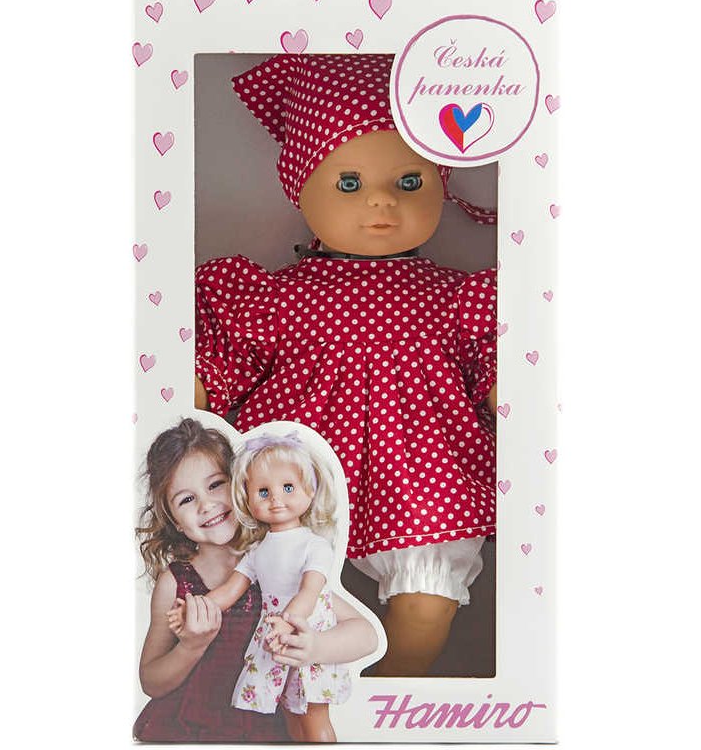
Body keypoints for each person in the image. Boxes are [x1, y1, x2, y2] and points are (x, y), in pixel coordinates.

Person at [194, 53, 497, 676]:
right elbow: (222, 364)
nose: (382, 202)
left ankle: (382, 701)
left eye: (409, 182)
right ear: (300, 187)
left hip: (421, 473)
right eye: (350, 184)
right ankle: (289, 690)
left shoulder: (458, 297)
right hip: (296, 472)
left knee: (426, 604)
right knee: (272, 595)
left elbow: (494, 362)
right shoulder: (273, 297)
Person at [134, 418, 377, 742]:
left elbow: (366, 636)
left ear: (243, 486)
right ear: (175, 521)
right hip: (190, 732)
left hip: (267, 732)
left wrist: (315, 647)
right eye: (186, 499)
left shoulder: (275, 565)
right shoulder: (175, 582)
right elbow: (151, 680)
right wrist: (192, 646)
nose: (206, 504)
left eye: (216, 484)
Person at [171, 431, 348, 742]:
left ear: (309, 491)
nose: (276, 499)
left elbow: (310, 591)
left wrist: (289, 622)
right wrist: (197, 607)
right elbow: (231, 590)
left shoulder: (315, 546)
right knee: (289, 713)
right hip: (272, 638)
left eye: (288, 487)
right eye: (263, 492)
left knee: (313, 715)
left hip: (304, 633)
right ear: (248, 500)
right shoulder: (257, 551)